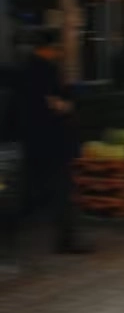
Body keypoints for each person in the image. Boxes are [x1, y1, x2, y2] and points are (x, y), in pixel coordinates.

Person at [14, 29, 89, 254]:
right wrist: (67, 105)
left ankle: (20, 230)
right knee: (61, 189)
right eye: (58, 48)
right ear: (49, 48)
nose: (61, 52)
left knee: (32, 188)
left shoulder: (26, 69)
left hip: (33, 140)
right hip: (52, 140)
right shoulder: (44, 70)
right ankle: (66, 240)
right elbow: (54, 103)